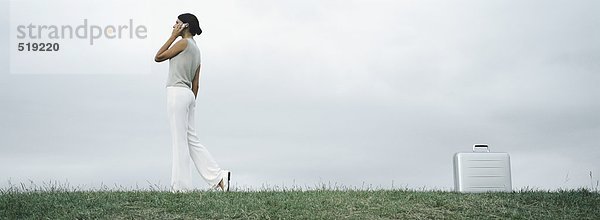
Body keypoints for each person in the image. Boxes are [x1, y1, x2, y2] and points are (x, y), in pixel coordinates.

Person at [154, 13, 230, 192]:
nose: (174, 26)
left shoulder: (183, 43)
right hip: (188, 95)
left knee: (179, 141)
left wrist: (172, 36)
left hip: (176, 93)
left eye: (177, 23)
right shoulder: (197, 49)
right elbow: (196, 84)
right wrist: (191, 102)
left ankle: (180, 187)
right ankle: (219, 177)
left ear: (185, 26)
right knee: (191, 140)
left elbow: (158, 57)